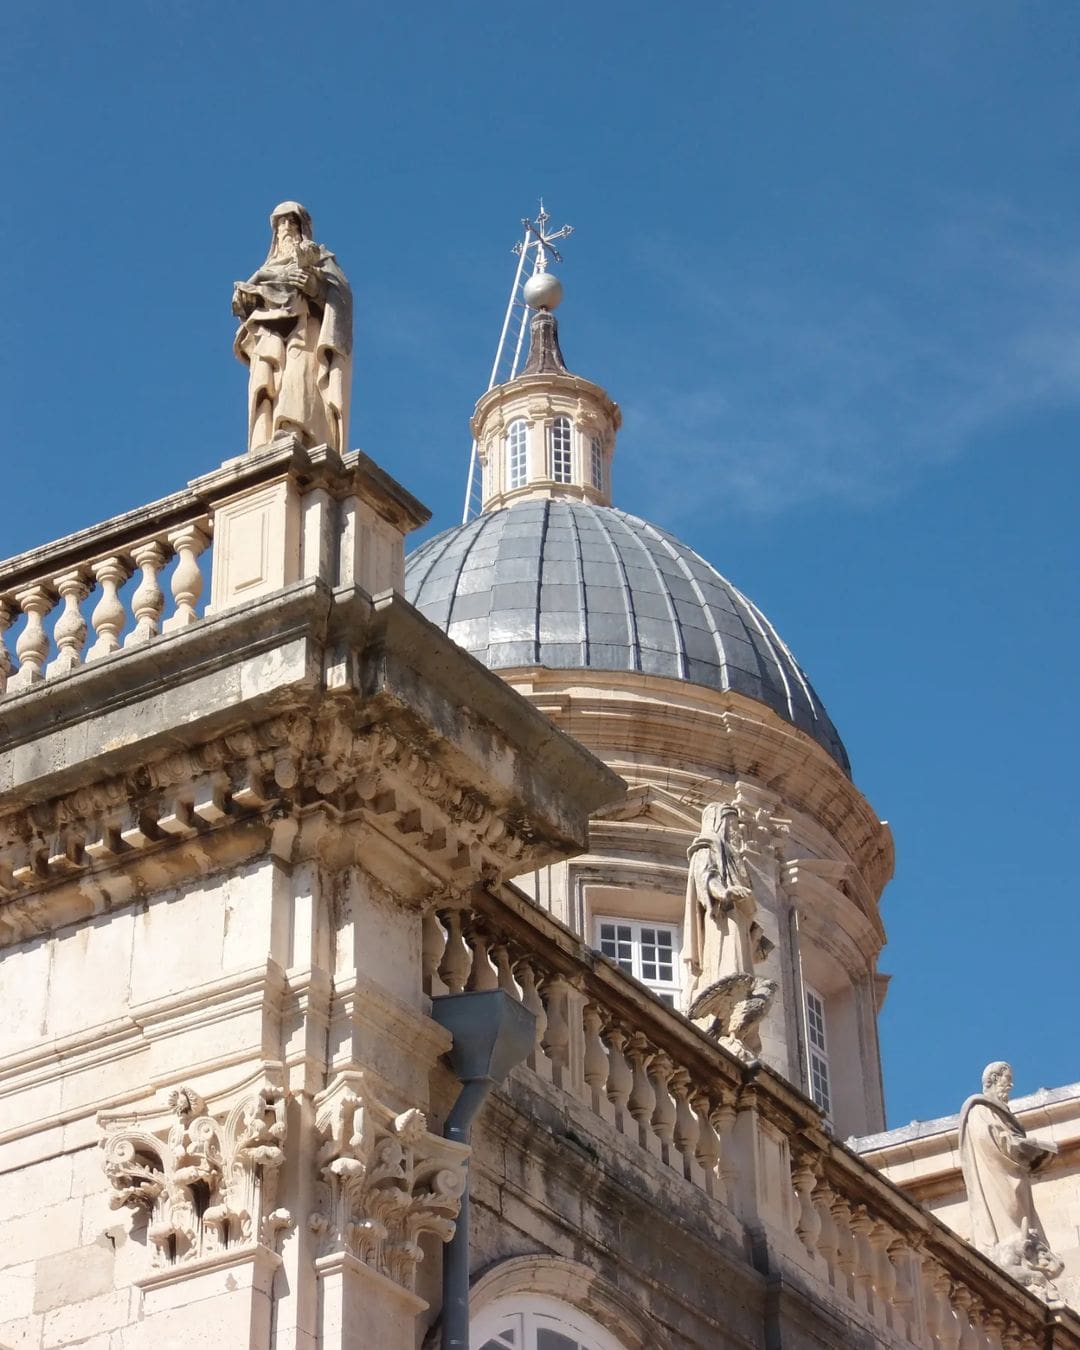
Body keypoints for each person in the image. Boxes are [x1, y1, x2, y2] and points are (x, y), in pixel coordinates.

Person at [232, 203, 352, 453]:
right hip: (269, 333)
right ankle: (263, 439)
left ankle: (295, 428)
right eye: (281, 223)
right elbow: (245, 304)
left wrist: (315, 289)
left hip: (304, 331)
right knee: (267, 382)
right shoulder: (265, 270)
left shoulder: (320, 259)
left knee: (299, 376)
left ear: (302, 227)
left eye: (292, 222)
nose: (286, 228)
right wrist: (246, 301)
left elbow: (341, 296)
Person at [958, 1061, 1062, 1296]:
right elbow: (990, 1140)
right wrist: (1022, 1146)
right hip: (999, 1178)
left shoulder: (997, 1112)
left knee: (1021, 1218)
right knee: (1009, 1217)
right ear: (993, 1080)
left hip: (1015, 1176)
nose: (1010, 1084)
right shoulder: (980, 1109)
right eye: (1007, 1079)